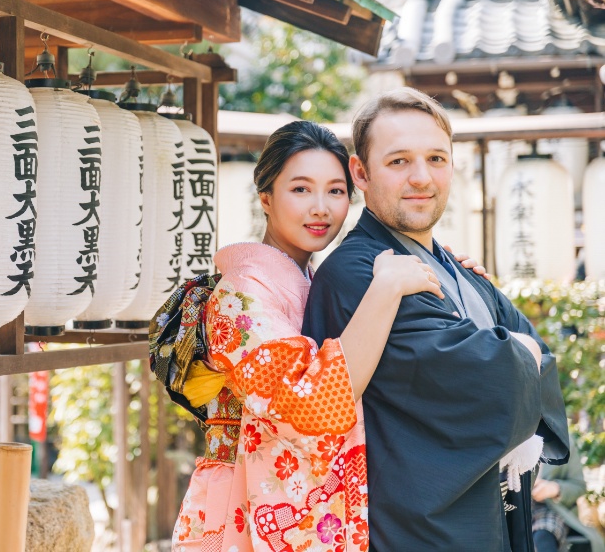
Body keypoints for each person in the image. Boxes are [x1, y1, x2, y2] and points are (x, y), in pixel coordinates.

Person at [151, 120, 484, 552]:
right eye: (301, 189)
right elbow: (312, 408)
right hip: (241, 508)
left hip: (291, 507)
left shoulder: (313, 278)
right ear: (266, 198)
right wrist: (385, 288)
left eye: (336, 191)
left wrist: (443, 273)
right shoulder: (243, 292)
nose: (321, 208)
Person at [301, 87, 571, 552]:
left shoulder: (451, 266)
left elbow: (538, 354)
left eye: (436, 159)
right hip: (416, 529)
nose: (422, 177)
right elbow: (497, 375)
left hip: (488, 515)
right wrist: (518, 352)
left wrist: (519, 351)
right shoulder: (357, 272)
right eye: (399, 161)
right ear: (360, 173)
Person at [533, 436, 605, 552]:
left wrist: (555, 489)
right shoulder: (506, 436)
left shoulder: (563, 441)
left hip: (550, 511)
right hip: (508, 510)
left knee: (543, 538)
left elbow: (579, 486)